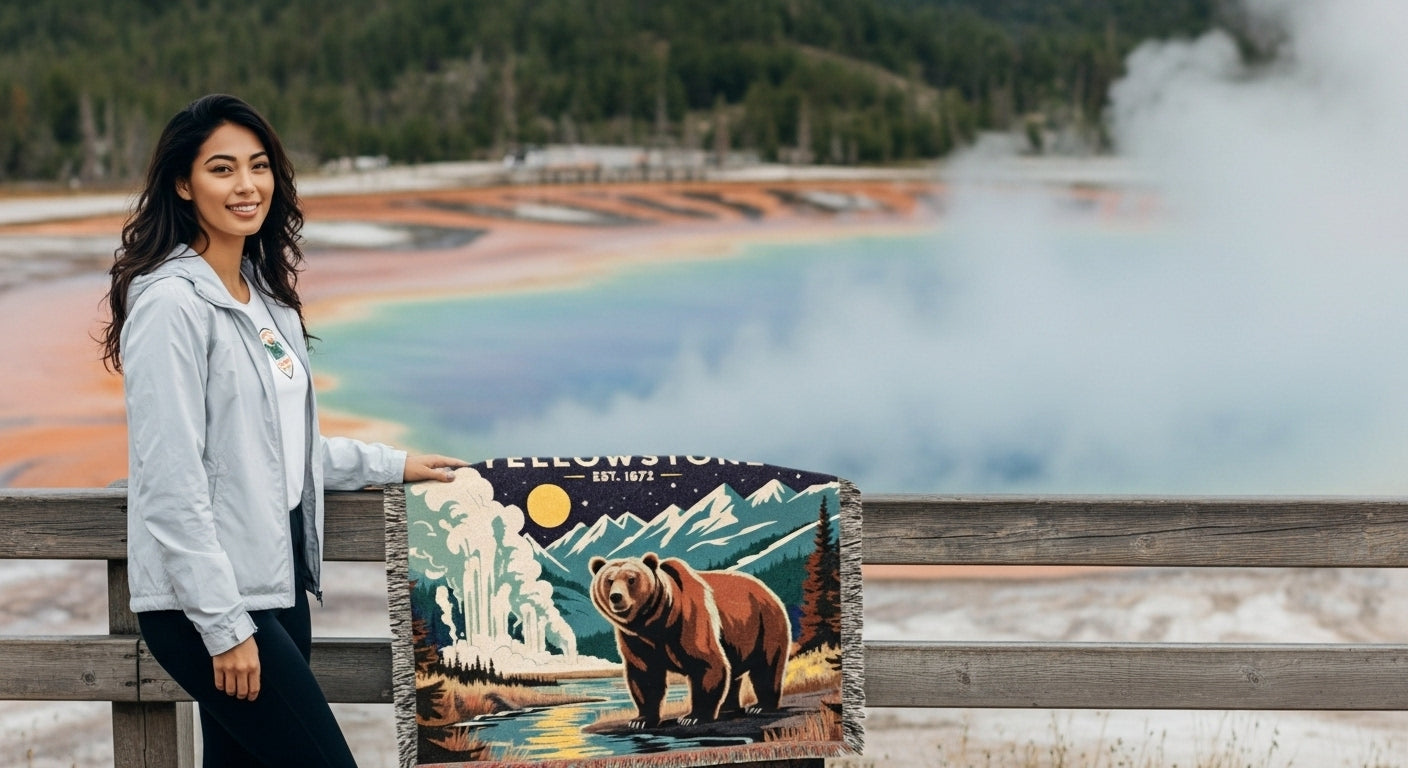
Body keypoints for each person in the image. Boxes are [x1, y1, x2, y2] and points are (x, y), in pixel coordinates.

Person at [99, 93, 468, 767]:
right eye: (222, 168)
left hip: (277, 582)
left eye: (259, 165)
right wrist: (223, 626)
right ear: (183, 183)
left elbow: (274, 445)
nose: (246, 185)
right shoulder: (171, 305)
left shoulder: (266, 301)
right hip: (205, 605)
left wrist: (390, 463)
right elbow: (170, 478)